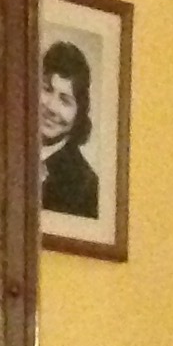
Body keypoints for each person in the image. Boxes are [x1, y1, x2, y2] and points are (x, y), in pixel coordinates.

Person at [41, 39, 99, 219]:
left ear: (79, 113)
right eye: (46, 89)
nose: (51, 107)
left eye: (65, 100)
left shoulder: (86, 185)